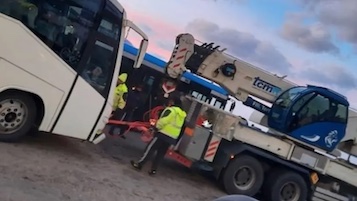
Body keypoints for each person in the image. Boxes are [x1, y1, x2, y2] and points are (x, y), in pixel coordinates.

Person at [130, 96, 187, 175]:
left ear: (173, 102)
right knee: (161, 154)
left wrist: (155, 128)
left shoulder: (171, 110)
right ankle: (153, 170)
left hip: (162, 134)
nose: (169, 103)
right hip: (172, 138)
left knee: (151, 149)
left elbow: (163, 121)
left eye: (170, 101)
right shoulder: (182, 115)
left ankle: (140, 164)